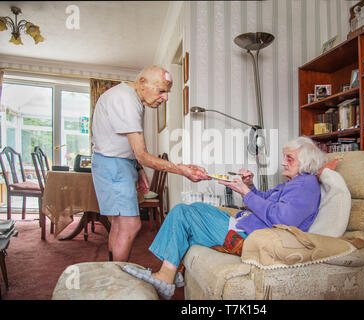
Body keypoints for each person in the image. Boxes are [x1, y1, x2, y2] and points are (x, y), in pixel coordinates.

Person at [122, 136, 328, 299]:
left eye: (289, 158)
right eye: (284, 156)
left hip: (247, 235)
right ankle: (172, 268)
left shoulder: (306, 185)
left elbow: (281, 218)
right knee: (196, 207)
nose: (283, 162)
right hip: (244, 223)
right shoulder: (293, 184)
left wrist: (246, 193)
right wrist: (248, 186)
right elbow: (265, 199)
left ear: (306, 162)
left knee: (181, 213)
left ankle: (166, 277)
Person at [91, 65, 210, 262]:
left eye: (167, 92)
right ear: (143, 83)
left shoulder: (132, 97)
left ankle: (114, 271)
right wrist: (182, 169)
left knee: (120, 224)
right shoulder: (126, 99)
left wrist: (138, 170)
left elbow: (130, 148)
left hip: (117, 164)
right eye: (161, 91)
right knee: (130, 225)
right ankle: (119, 277)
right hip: (113, 165)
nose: (166, 97)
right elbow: (142, 154)